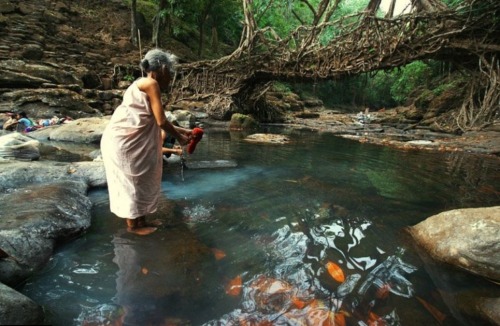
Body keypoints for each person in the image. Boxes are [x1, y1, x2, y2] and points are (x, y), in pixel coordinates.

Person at [100, 48, 192, 235]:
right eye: (170, 73)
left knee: (139, 180)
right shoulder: (151, 83)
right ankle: (134, 226)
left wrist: (185, 131)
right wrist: (181, 138)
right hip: (124, 141)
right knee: (132, 181)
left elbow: (151, 118)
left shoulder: (142, 83)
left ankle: (141, 220)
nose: (171, 78)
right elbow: (161, 121)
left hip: (125, 138)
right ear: (162, 69)